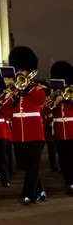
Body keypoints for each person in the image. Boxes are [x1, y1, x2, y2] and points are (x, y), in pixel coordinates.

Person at [0, 46, 47, 205]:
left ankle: (29, 194)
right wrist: (13, 96)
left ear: (29, 71)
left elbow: (41, 100)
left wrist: (27, 88)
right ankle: (40, 191)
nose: (20, 73)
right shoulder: (12, 89)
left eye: (23, 70)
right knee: (26, 165)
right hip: (19, 133)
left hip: (34, 132)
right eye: (18, 70)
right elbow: (4, 108)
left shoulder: (37, 87)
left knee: (33, 165)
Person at [48, 60, 73, 194]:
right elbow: (47, 110)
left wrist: (68, 98)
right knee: (63, 158)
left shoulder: (71, 91)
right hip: (59, 130)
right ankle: (68, 182)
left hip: (71, 128)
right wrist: (54, 101)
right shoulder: (54, 94)